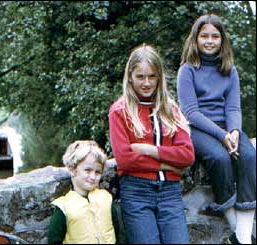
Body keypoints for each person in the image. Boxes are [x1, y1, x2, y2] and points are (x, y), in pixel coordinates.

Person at [177, 14, 256, 244]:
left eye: (215, 36)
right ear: (195, 39)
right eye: (204, 36)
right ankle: (234, 225)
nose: (210, 41)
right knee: (219, 158)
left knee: (249, 155)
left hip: (227, 128)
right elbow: (190, 112)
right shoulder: (187, 71)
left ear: (222, 40)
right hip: (199, 129)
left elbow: (233, 107)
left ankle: (242, 235)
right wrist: (222, 137)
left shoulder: (229, 71)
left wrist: (233, 131)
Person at [108, 43, 195, 244]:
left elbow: (187, 155)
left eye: (152, 76)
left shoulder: (170, 110)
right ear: (130, 76)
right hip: (137, 193)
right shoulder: (120, 111)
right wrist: (168, 164)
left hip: (170, 192)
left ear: (159, 77)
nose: (146, 83)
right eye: (140, 77)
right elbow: (125, 160)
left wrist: (149, 150)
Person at [47, 140, 117, 244]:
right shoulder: (63, 207)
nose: (93, 177)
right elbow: (54, 240)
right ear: (72, 170)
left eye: (98, 172)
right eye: (87, 170)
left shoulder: (106, 199)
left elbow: (117, 231)